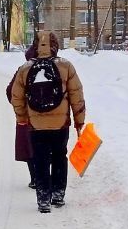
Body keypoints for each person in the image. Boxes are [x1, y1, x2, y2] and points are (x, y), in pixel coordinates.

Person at [11, 30, 85, 213]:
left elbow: (16, 97)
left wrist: (22, 118)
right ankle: (58, 194)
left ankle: (43, 199)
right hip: (61, 124)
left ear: (35, 47)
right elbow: (77, 95)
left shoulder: (25, 69)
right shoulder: (66, 66)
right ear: (55, 46)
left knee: (40, 160)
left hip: (36, 126)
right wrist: (79, 121)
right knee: (60, 156)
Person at [6, 42, 38, 188]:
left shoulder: (23, 70)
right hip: (54, 117)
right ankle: (51, 181)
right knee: (51, 147)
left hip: (27, 117)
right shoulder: (57, 67)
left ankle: (35, 179)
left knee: (29, 147)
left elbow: (10, 91)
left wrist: (20, 110)